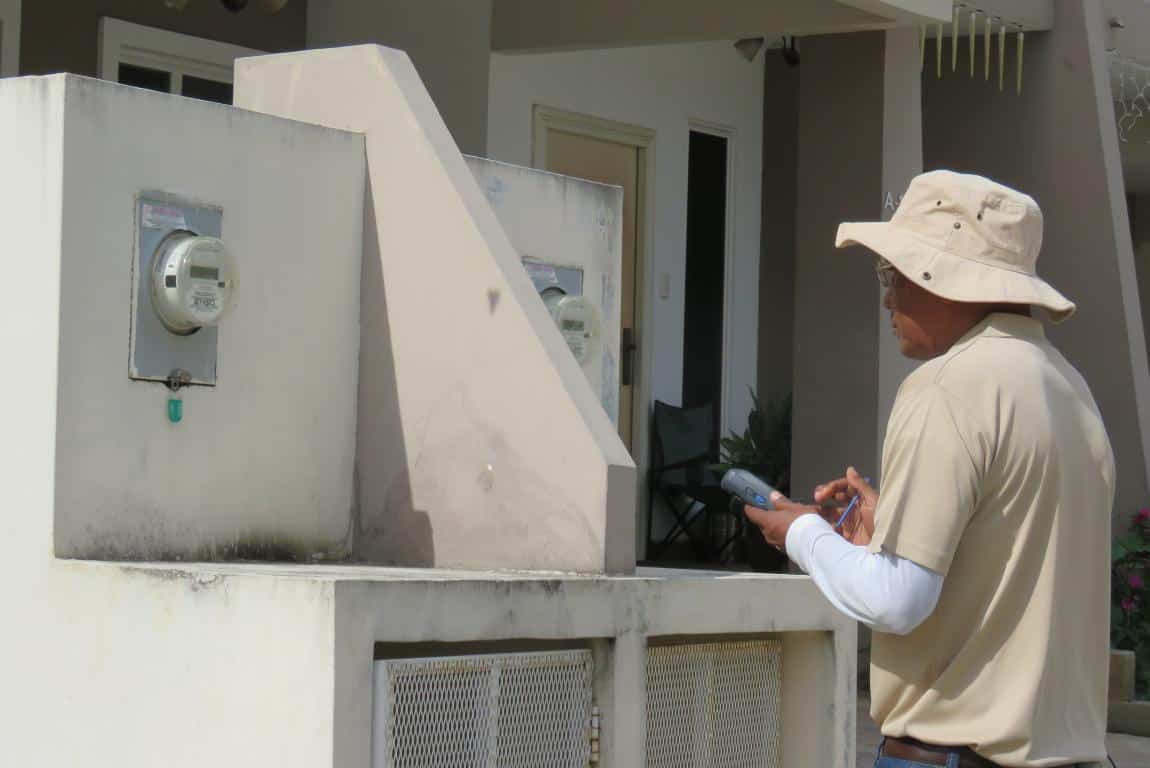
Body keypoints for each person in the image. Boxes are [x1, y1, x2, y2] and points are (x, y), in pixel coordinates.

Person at [746, 170, 1116, 767]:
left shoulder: (947, 386)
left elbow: (897, 598)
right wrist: (895, 525)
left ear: (944, 279)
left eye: (895, 274)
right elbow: (1006, 564)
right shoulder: (1072, 391)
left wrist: (800, 533)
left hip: (952, 755)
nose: (889, 298)